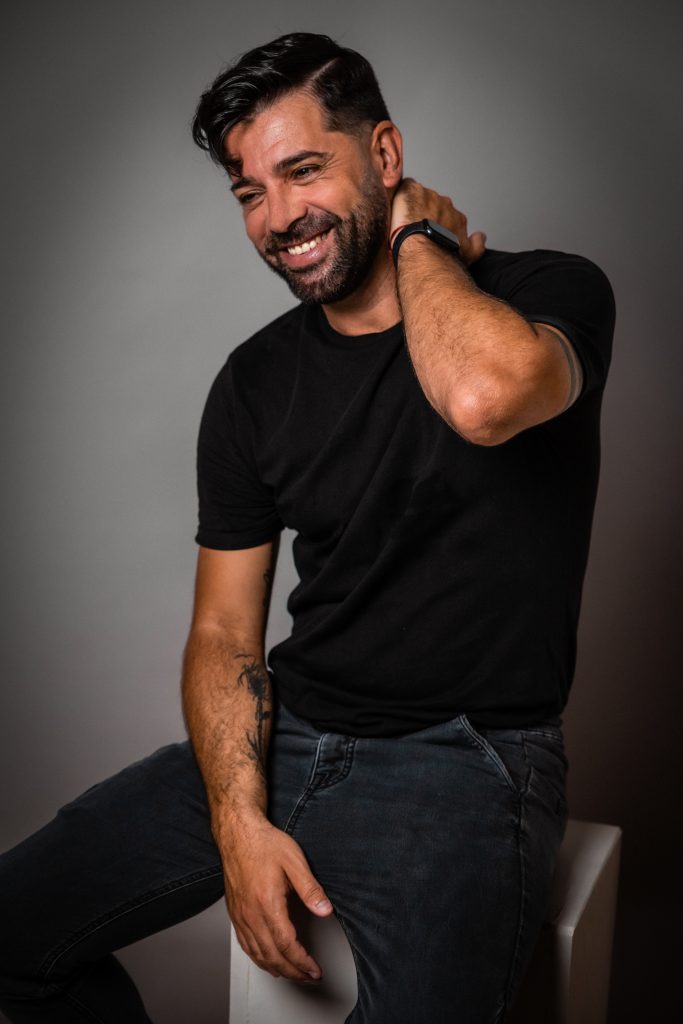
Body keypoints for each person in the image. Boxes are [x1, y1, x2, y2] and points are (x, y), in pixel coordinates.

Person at [0, 31, 615, 1024]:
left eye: (301, 171)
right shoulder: (251, 384)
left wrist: (418, 241)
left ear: (384, 154)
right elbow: (222, 633)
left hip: (462, 763)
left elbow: (481, 398)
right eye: (249, 192)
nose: (278, 219)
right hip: (284, 735)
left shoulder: (547, 292)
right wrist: (237, 821)